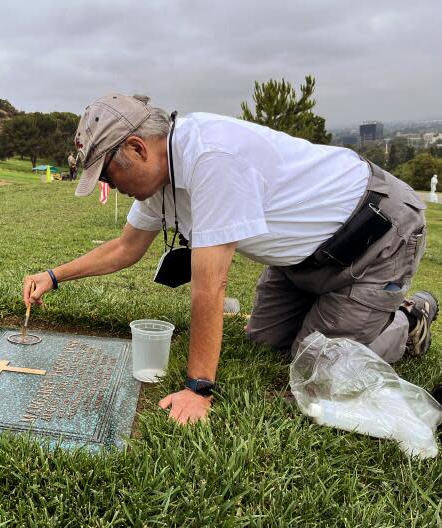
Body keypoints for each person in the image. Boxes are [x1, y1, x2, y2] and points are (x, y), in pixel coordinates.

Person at [22, 93, 437, 426]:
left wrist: (198, 387)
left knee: (318, 373)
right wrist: (53, 276)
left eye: (108, 174)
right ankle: (333, 311)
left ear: (136, 147)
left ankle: (408, 317)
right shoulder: (158, 179)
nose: (110, 186)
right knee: (264, 344)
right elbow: (125, 248)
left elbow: (210, 285)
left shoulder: (212, 157)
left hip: (375, 237)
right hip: (299, 263)